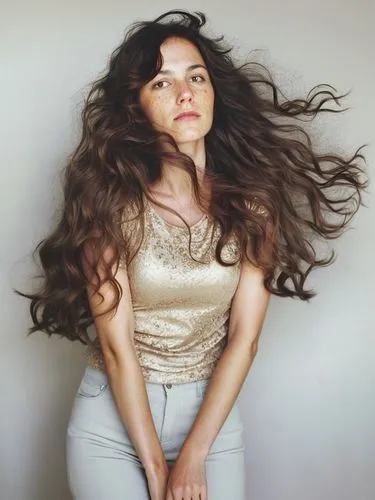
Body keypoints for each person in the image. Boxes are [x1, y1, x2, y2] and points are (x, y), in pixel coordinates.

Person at [14, 9, 368, 500]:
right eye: (162, 83)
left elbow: (244, 339)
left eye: (196, 77)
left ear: (213, 93)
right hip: (113, 424)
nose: (185, 93)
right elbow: (117, 351)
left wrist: (195, 456)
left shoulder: (252, 206)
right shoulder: (109, 208)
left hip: (210, 421)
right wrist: (159, 472)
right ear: (136, 106)